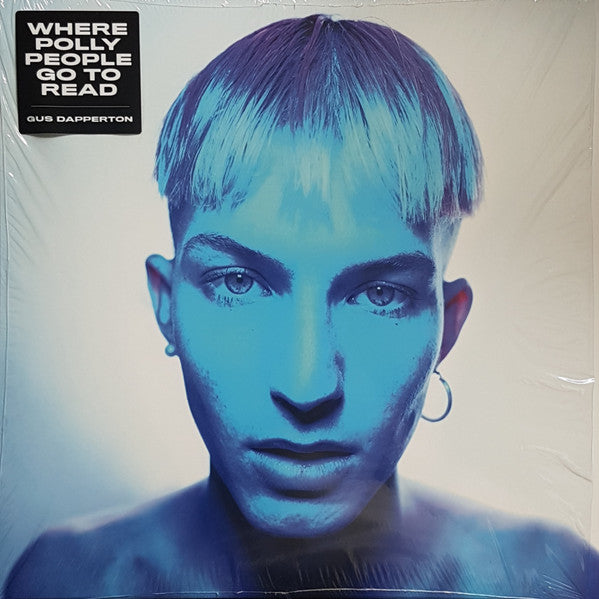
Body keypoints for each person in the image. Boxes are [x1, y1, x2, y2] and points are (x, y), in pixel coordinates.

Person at [4, 14, 598, 598]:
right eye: (238, 283)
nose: (306, 387)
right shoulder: (69, 582)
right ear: (167, 305)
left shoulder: (553, 582)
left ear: (448, 325)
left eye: (380, 295)